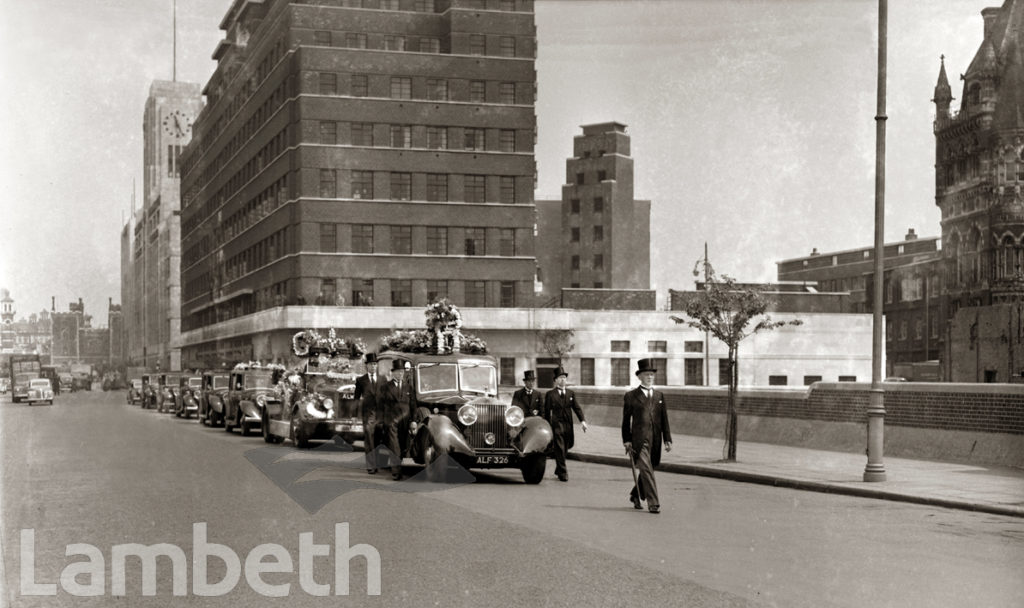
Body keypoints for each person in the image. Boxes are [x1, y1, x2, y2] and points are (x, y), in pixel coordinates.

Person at [622, 358, 672, 514]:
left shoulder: (659, 396)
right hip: (639, 440)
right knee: (647, 470)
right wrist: (627, 440)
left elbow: (664, 419)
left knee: (649, 468)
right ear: (639, 377)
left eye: (652, 374)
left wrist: (667, 439)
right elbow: (625, 421)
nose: (650, 377)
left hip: (655, 439)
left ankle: (635, 495)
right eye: (646, 375)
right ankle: (653, 502)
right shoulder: (631, 396)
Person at [542, 366, 588, 482]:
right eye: (560, 378)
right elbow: (546, 412)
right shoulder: (550, 394)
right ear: (555, 380)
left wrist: (582, 421)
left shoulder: (571, 393)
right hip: (556, 424)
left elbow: (576, 408)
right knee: (560, 447)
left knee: (567, 446)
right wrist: (547, 426)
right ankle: (563, 473)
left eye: (564, 378)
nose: (563, 380)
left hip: (568, 424)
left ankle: (558, 468)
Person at [380, 360, 414, 480]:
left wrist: (413, 420)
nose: (400, 374)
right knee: (394, 445)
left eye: (402, 372)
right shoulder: (385, 387)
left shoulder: (408, 387)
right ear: (393, 373)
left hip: (405, 421)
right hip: (391, 421)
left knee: (402, 445)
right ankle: (396, 471)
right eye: (398, 372)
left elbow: (413, 405)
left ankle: (397, 465)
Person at [354, 353, 386, 474]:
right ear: (367, 366)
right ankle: (371, 466)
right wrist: (354, 415)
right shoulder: (361, 380)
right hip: (368, 414)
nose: (373, 367)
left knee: (377, 439)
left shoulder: (383, 379)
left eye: (375, 364)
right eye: (371, 364)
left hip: (381, 414)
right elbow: (356, 399)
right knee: (369, 439)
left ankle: (377, 463)